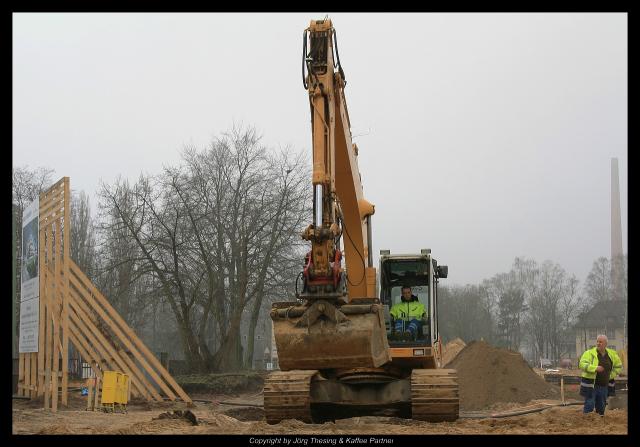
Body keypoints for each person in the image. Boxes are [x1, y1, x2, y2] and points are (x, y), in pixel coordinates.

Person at [578, 334, 622, 416]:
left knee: (601, 405)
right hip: (591, 385)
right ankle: (587, 420)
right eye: (597, 341)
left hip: (604, 386)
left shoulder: (612, 354)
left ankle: (600, 420)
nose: (598, 343)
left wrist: (611, 375)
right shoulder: (589, 353)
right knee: (589, 403)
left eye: (600, 342)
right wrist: (594, 368)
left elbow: (618, 366)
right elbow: (582, 364)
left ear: (606, 344)